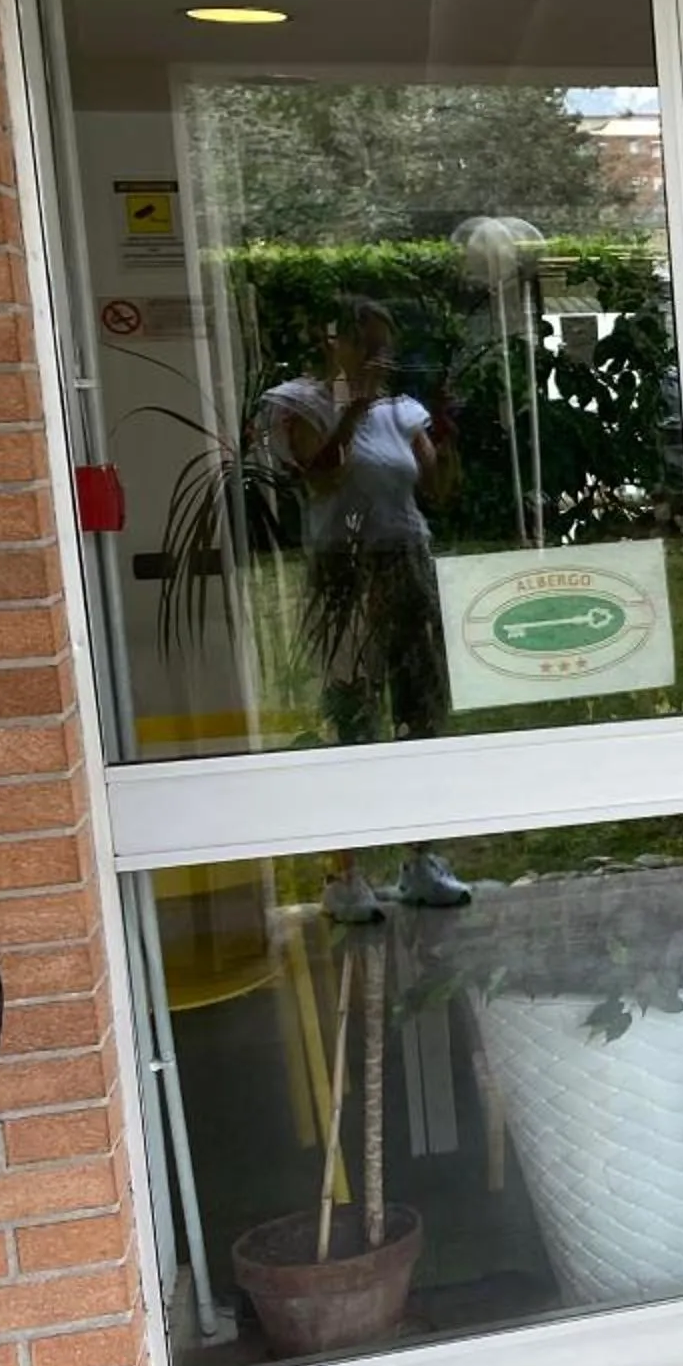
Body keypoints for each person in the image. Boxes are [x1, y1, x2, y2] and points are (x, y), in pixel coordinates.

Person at [256, 298, 471, 919]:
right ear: (333, 343)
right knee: (352, 713)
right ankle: (345, 872)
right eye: (367, 344)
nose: (382, 358)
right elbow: (320, 478)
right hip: (345, 567)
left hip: (407, 561)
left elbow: (436, 492)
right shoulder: (295, 402)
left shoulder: (403, 411)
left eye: (386, 346)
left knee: (421, 707)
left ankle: (420, 859)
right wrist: (351, 407)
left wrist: (445, 442)